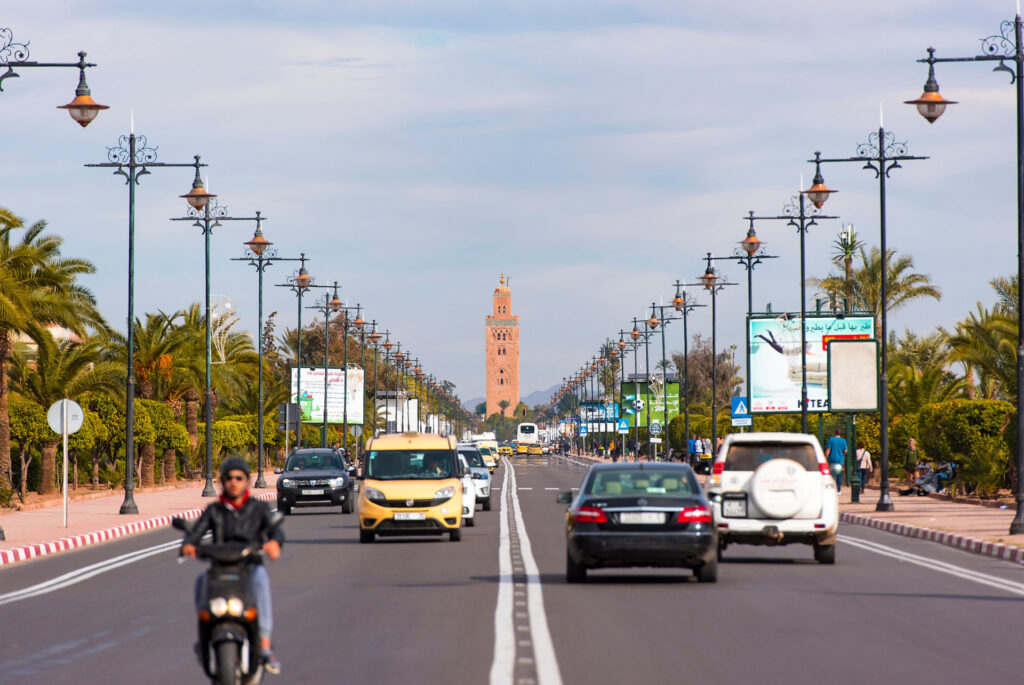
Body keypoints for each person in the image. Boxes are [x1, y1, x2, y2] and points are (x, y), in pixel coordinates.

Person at [182, 458, 284, 675]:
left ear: (247, 481)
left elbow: (275, 531)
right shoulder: (215, 511)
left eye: (239, 477)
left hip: (249, 566)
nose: (234, 482)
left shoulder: (259, 509)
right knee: (201, 581)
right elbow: (195, 532)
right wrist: (188, 544)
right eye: (229, 478)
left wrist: (274, 542)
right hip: (220, 568)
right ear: (222, 482)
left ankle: (264, 645)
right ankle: (204, 639)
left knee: (261, 580)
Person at [824, 428, 848, 493]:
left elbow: (828, 450)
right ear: (840, 434)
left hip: (831, 459)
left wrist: (826, 458)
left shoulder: (831, 439)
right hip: (840, 460)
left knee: (831, 475)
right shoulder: (843, 441)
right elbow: (845, 451)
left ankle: (830, 489)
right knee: (839, 476)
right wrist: (842, 454)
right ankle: (838, 490)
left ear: (835, 433)